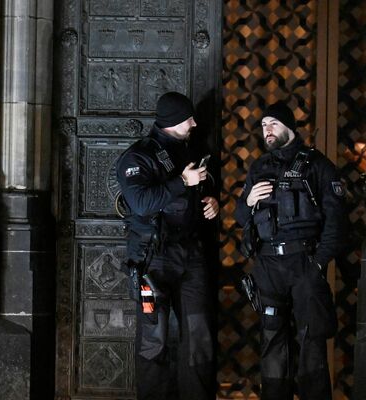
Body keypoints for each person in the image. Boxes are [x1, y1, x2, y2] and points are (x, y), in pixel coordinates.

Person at [234, 101, 346, 400]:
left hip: (304, 263)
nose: (266, 130)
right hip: (269, 266)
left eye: (273, 123)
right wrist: (248, 202)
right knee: (272, 344)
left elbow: (336, 224)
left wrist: (317, 265)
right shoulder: (260, 167)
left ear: (288, 126)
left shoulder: (318, 166)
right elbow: (240, 219)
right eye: (263, 125)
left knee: (311, 345)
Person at [115, 92, 219, 400]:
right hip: (153, 260)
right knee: (154, 340)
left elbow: (198, 192)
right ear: (174, 121)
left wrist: (211, 201)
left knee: (199, 338)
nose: (195, 123)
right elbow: (142, 203)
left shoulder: (190, 151)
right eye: (189, 118)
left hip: (191, 257)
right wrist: (181, 183)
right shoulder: (138, 157)